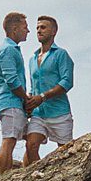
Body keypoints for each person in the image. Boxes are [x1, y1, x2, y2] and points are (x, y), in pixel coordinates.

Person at [22, 14, 76, 164]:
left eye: (43, 27)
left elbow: (67, 82)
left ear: (53, 31)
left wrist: (43, 97)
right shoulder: (32, 59)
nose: (39, 30)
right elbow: (33, 86)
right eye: (37, 28)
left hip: (59, 112)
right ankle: (38, 176)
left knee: (66, 154)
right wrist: (30, 101)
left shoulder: (61, 54)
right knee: (31, 145)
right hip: (38, 113)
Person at [0, 12, 32, 171]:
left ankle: (27, 172)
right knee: (9, 140)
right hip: (10, 102)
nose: (28, 31)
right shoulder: (8, 50)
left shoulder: (12, 49)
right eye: (25, 27)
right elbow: (12, 80)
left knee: (31, 138)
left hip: (15, 103)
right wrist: (26, 98)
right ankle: (4, 179)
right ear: (15, 29)